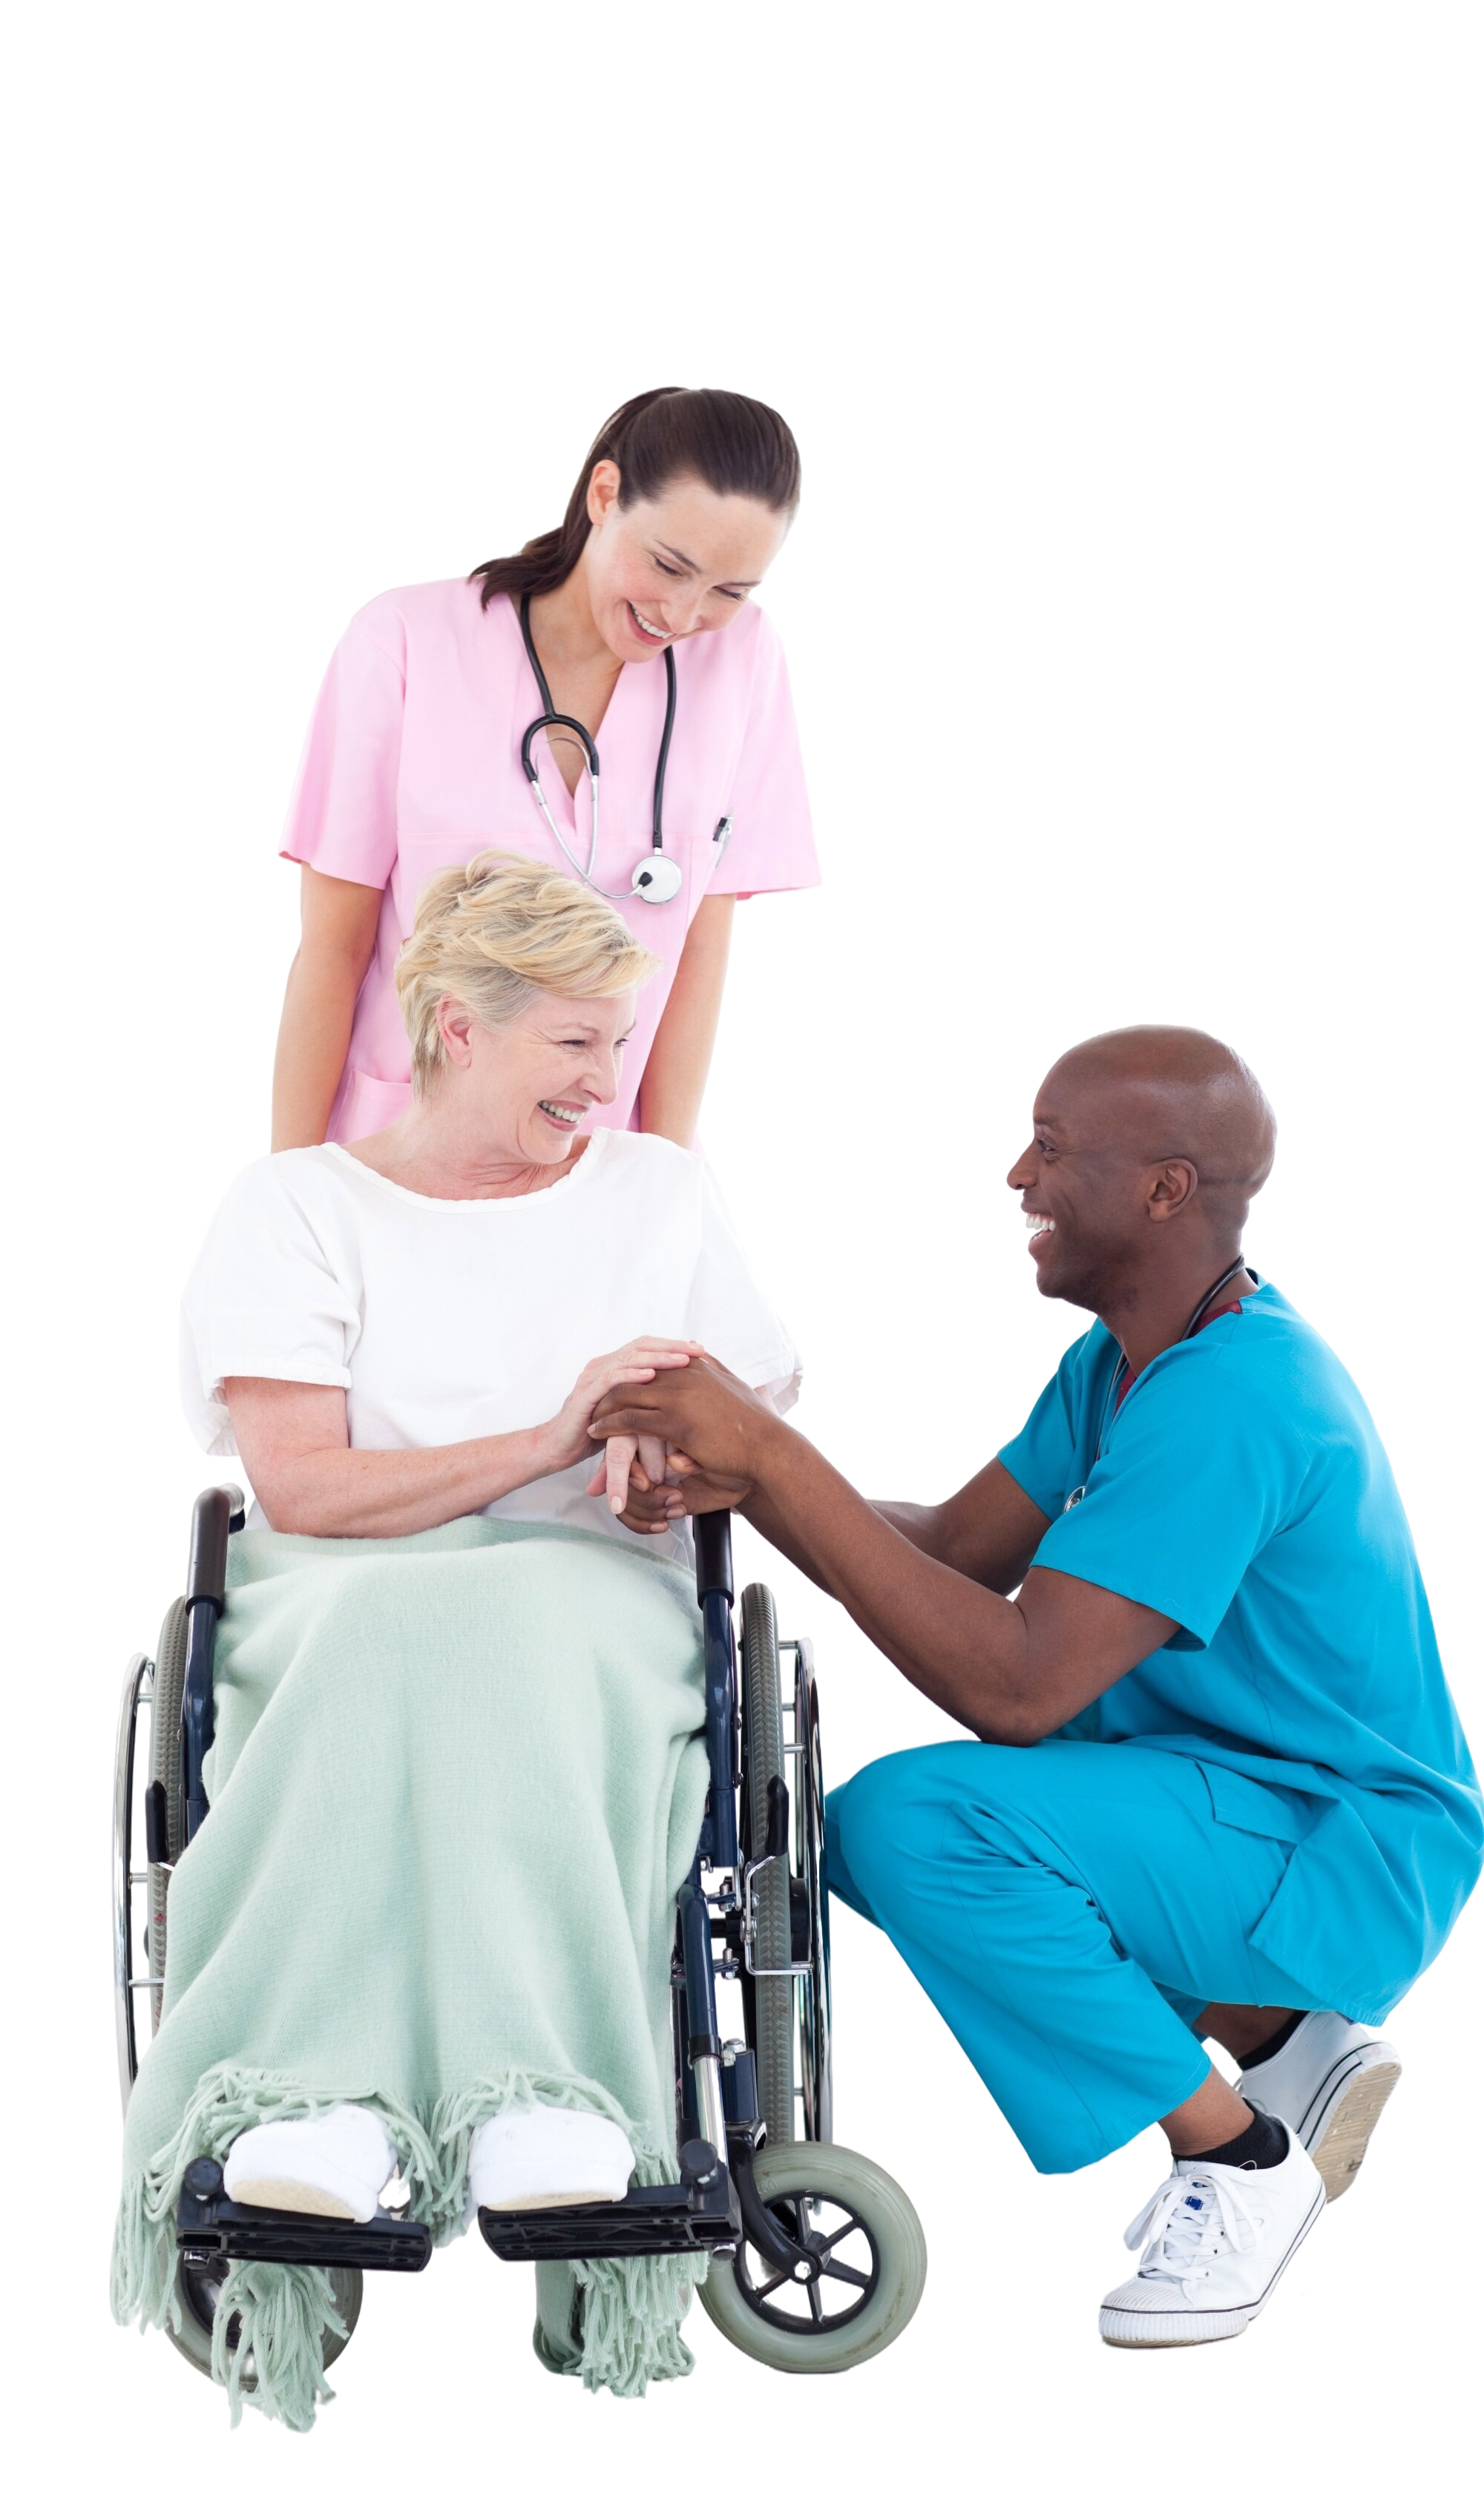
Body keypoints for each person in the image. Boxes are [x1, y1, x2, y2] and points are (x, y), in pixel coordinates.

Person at [586, 1017, 1484, 2359]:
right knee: (878, 1833)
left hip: (1337, 1846)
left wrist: (768, 1454)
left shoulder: (1238, 1396)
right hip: (1237, 1799)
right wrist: (740, 1485)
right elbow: (953, 1549)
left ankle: (1239, 2160)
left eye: (1051, 1148)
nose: (1016, 1173)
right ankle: (1276, 2038)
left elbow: (1015, 1686)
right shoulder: (1126, 1357)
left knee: (917, 1820)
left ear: (1167, 1189)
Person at [106, 853, 806, 2432]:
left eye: (617, 1037)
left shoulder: (657, 1194)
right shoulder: (291, 1207)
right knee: (400, 1630)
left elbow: (757, 1410)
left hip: (594, 1591)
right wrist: (552, 1431)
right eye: (573, 1041)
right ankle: (316, 2097)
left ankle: (543, 2094)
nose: (607, 1076)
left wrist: (675, 1456)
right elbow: (304, 1486)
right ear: (455, 1026)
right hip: (336, 1582)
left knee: (524, 1632)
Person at [265, 378, 823, 1155]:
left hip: (601, 1157)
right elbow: (332, 947)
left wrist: (670, 1171)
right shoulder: (401, 639)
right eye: (668, 565)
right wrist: (287, 1183)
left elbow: (704, 942)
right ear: (605, 494)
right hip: (400, 1145)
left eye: (730, 590)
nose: (683, 614)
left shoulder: (746, 658)